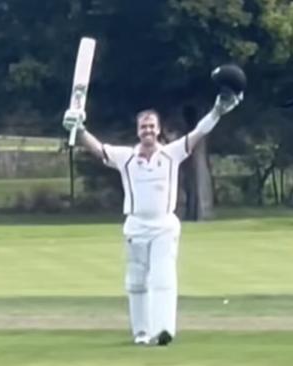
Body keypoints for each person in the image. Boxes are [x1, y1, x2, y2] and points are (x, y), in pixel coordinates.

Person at [62, 91, 243, 346]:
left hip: (164, 226)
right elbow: (98, 149)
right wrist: (78, 129)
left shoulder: (171, 154)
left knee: (163, 276)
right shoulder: (126, 158)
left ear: (158, 130)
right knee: (136, 282)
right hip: (136, 226)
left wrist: (216, 112)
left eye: (151, 126)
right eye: (143, 126)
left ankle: (163, 329)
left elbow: (198, 133)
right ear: (138, 131)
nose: (147, 130)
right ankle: (141, 332)